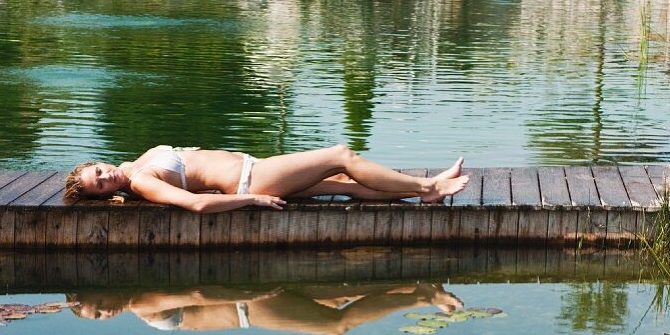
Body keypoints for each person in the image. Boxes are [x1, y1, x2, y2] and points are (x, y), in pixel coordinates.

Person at [63, 144, 469, 211]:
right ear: (105, 194)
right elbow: (197, 203)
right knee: (340, 156)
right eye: (101, 184)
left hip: (254, 168)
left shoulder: (136, 164)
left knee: (344, 186)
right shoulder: (140, 183)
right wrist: (251, 200)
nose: (106, 176)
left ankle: (422, 194)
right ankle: (427, 187)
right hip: (251, 181)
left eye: (99, 171)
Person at [70, 282, 464, 335]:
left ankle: (424, 297)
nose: (106, 313)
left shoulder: (140, 303)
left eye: (98, 306)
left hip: (250, 309)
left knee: (335, 326)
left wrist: (250, 294)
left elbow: (198, 295)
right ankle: (414, 284)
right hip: (249, 304)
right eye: (99, 316)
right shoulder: (137, 297)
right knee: (337, 298)